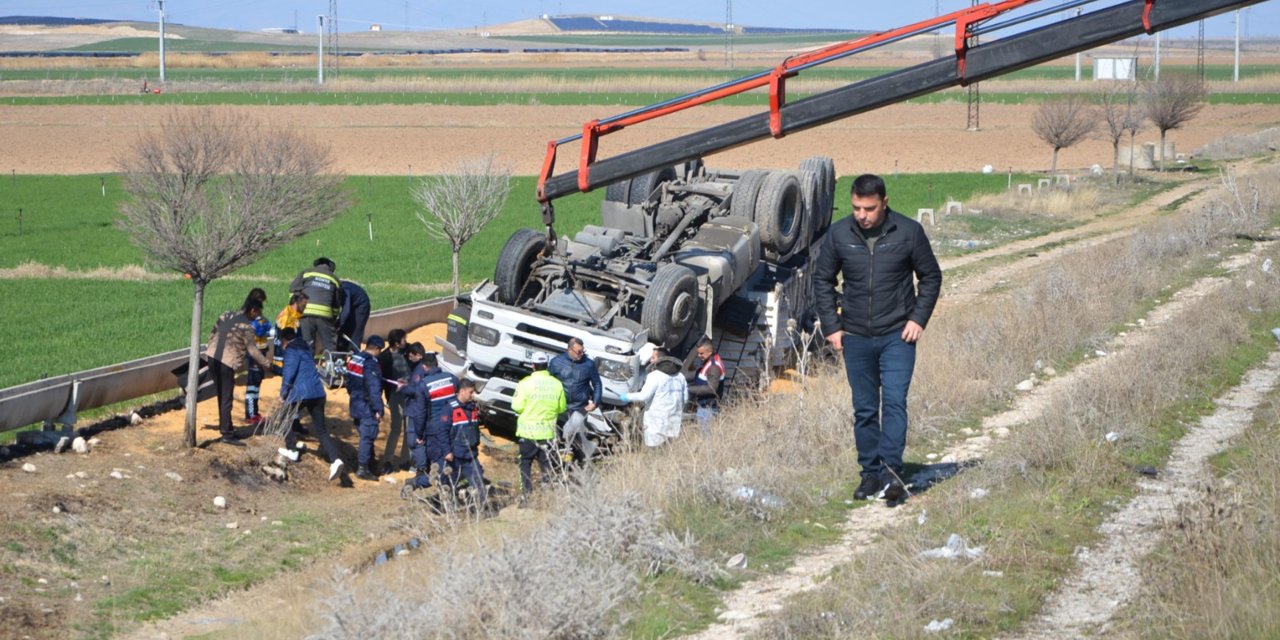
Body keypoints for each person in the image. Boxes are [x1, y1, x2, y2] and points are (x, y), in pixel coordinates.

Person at [814, 174, 942, 504]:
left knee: (895, 402)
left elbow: (930, 276)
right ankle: (870, 475)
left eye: (869, 208)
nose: (862, 215)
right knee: (866, 408)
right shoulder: (839, 234)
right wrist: (832, 326)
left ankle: (893, 473)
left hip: (897, 335)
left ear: (884, 203)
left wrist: (918, 318)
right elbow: (822, 280)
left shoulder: (908, 232)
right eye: (857, 207)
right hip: (855, 336)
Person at [276, 328, 344, 482]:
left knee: (283, 418)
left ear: (285, 340)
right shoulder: (305, 348)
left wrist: (283, 393)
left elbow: (289, 374)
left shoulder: (291, 351)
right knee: (321, 430)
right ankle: (335, 460)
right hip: (318, 393)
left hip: (301, 393)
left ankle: (292, 450)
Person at [204, 298, 273, 446]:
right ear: (253, 310)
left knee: (221, 395)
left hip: (211, 357)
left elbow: (212, 333)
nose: (257, 317)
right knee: (227, 398)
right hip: (226, 363)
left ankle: (226, 427)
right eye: (258, 314)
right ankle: (227, 435)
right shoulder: (246, 326)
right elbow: (253, 350)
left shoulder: (226, 315)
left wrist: (210, 349)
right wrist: (267, 363)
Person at [511, 352, 566, 507]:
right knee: (547, 466)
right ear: (546, 365)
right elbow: (561, 407)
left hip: (528, 432)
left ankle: (526, 497)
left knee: (525, 464)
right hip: (547, 432)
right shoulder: (556, 384)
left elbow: (517, 406)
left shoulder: (525, 383)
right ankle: (548, 498)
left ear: (533, 365)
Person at [621, 344, 688, 448]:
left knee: (653, 450)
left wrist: (626, 396)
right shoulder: (681, 376)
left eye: (653, 358)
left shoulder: (655, 375)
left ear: (660, 360)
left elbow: (644, 396)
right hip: (673, 421)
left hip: (656, 422)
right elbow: (685, 399)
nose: (651, 360)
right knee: (667, 452)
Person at [345, 335, 387, 481]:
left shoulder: (356, 359)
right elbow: (373, 388)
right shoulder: (370, 364)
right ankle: (363, 468)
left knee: (364, 434)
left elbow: (348, 381)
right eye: (380, 350)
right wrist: (378, 409)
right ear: (375, 348)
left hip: (355, 402)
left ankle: (370, 462)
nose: (380, 352)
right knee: (367, 436)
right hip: (366, 406)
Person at [447, 379, 488, 508]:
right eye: (471, 392)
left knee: (478, 481)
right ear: (462, 391)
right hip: (455, 455)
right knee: (448, 483)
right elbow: (442, 432)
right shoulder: (450, 408)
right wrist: (446, 451)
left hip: (470, 454)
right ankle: (448, 507)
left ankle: (482, 509)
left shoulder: (472, 408)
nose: (472, 395)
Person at [290, 257, 343, 355]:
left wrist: (295, 308)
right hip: (325, 316)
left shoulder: (306, 273)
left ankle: (308, 366)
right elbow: (336, 304)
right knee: (330, 346)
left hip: (306, 314)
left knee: (307, 344)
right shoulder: (335, 279)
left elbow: (293, 290)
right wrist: (333, 319)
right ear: (331, 268)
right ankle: (331, 366)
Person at [377, 329, 412, 474]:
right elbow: (382, 379)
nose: (406, 341)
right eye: (403, 339)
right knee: (396, 428)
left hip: (410, 394)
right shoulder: (385, 357)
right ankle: (388, 461)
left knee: (409, 428)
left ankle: (406, 460)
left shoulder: (409, 350)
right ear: (397, 343)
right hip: (395, 395)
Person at [401, 343, 434, 493]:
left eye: (411, 355)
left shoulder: (420, 370)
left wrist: (403, 388)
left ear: (418, 355)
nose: (409, 357)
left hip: (415, 410)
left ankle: (420, 469)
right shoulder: (419, 369)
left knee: (414, 441)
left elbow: (416, 390)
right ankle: (420, 466)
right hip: (416, 410)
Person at [243, 288, 274, 426]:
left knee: (256, 383)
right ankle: (251, 414)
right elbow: (261, 330)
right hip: (255, 355)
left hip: (260, 351)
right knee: (253, 386)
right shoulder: (252, 321)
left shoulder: (255, 318)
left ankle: (253, 412)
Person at [682, 336, 724, 435]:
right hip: (704, 408)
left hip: (708, 409)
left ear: (709, 351)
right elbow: (697, 375)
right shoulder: (707, 362)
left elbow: (711, 388)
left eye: (701, 353)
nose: (699, 356)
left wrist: (689, 389)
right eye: (698, 353)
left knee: (707, 440)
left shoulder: (714, 367)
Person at [272, 293, 308, 373]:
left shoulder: (293, 315)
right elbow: (286, 343)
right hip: (284, 365)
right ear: (296, 303)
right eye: (303, 305)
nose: (305, 308)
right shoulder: (287, 317)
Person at [338, 280, 371, 353]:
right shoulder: (332, 291)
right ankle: (341, 355)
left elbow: (346, 311)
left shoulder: (345, 289)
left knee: (355, 333)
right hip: (351, 305)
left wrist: (337, 324)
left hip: (361, 305)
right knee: (343, 333)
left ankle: (355, 355)